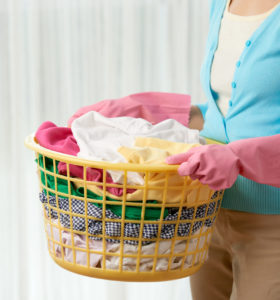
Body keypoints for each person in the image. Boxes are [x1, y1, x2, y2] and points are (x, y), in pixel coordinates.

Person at [165, 0, 280, 299]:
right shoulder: (221, 4)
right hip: (210, 214)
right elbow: (229, 111)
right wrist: (155, 112)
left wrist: (238, 158)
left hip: (272, 226)